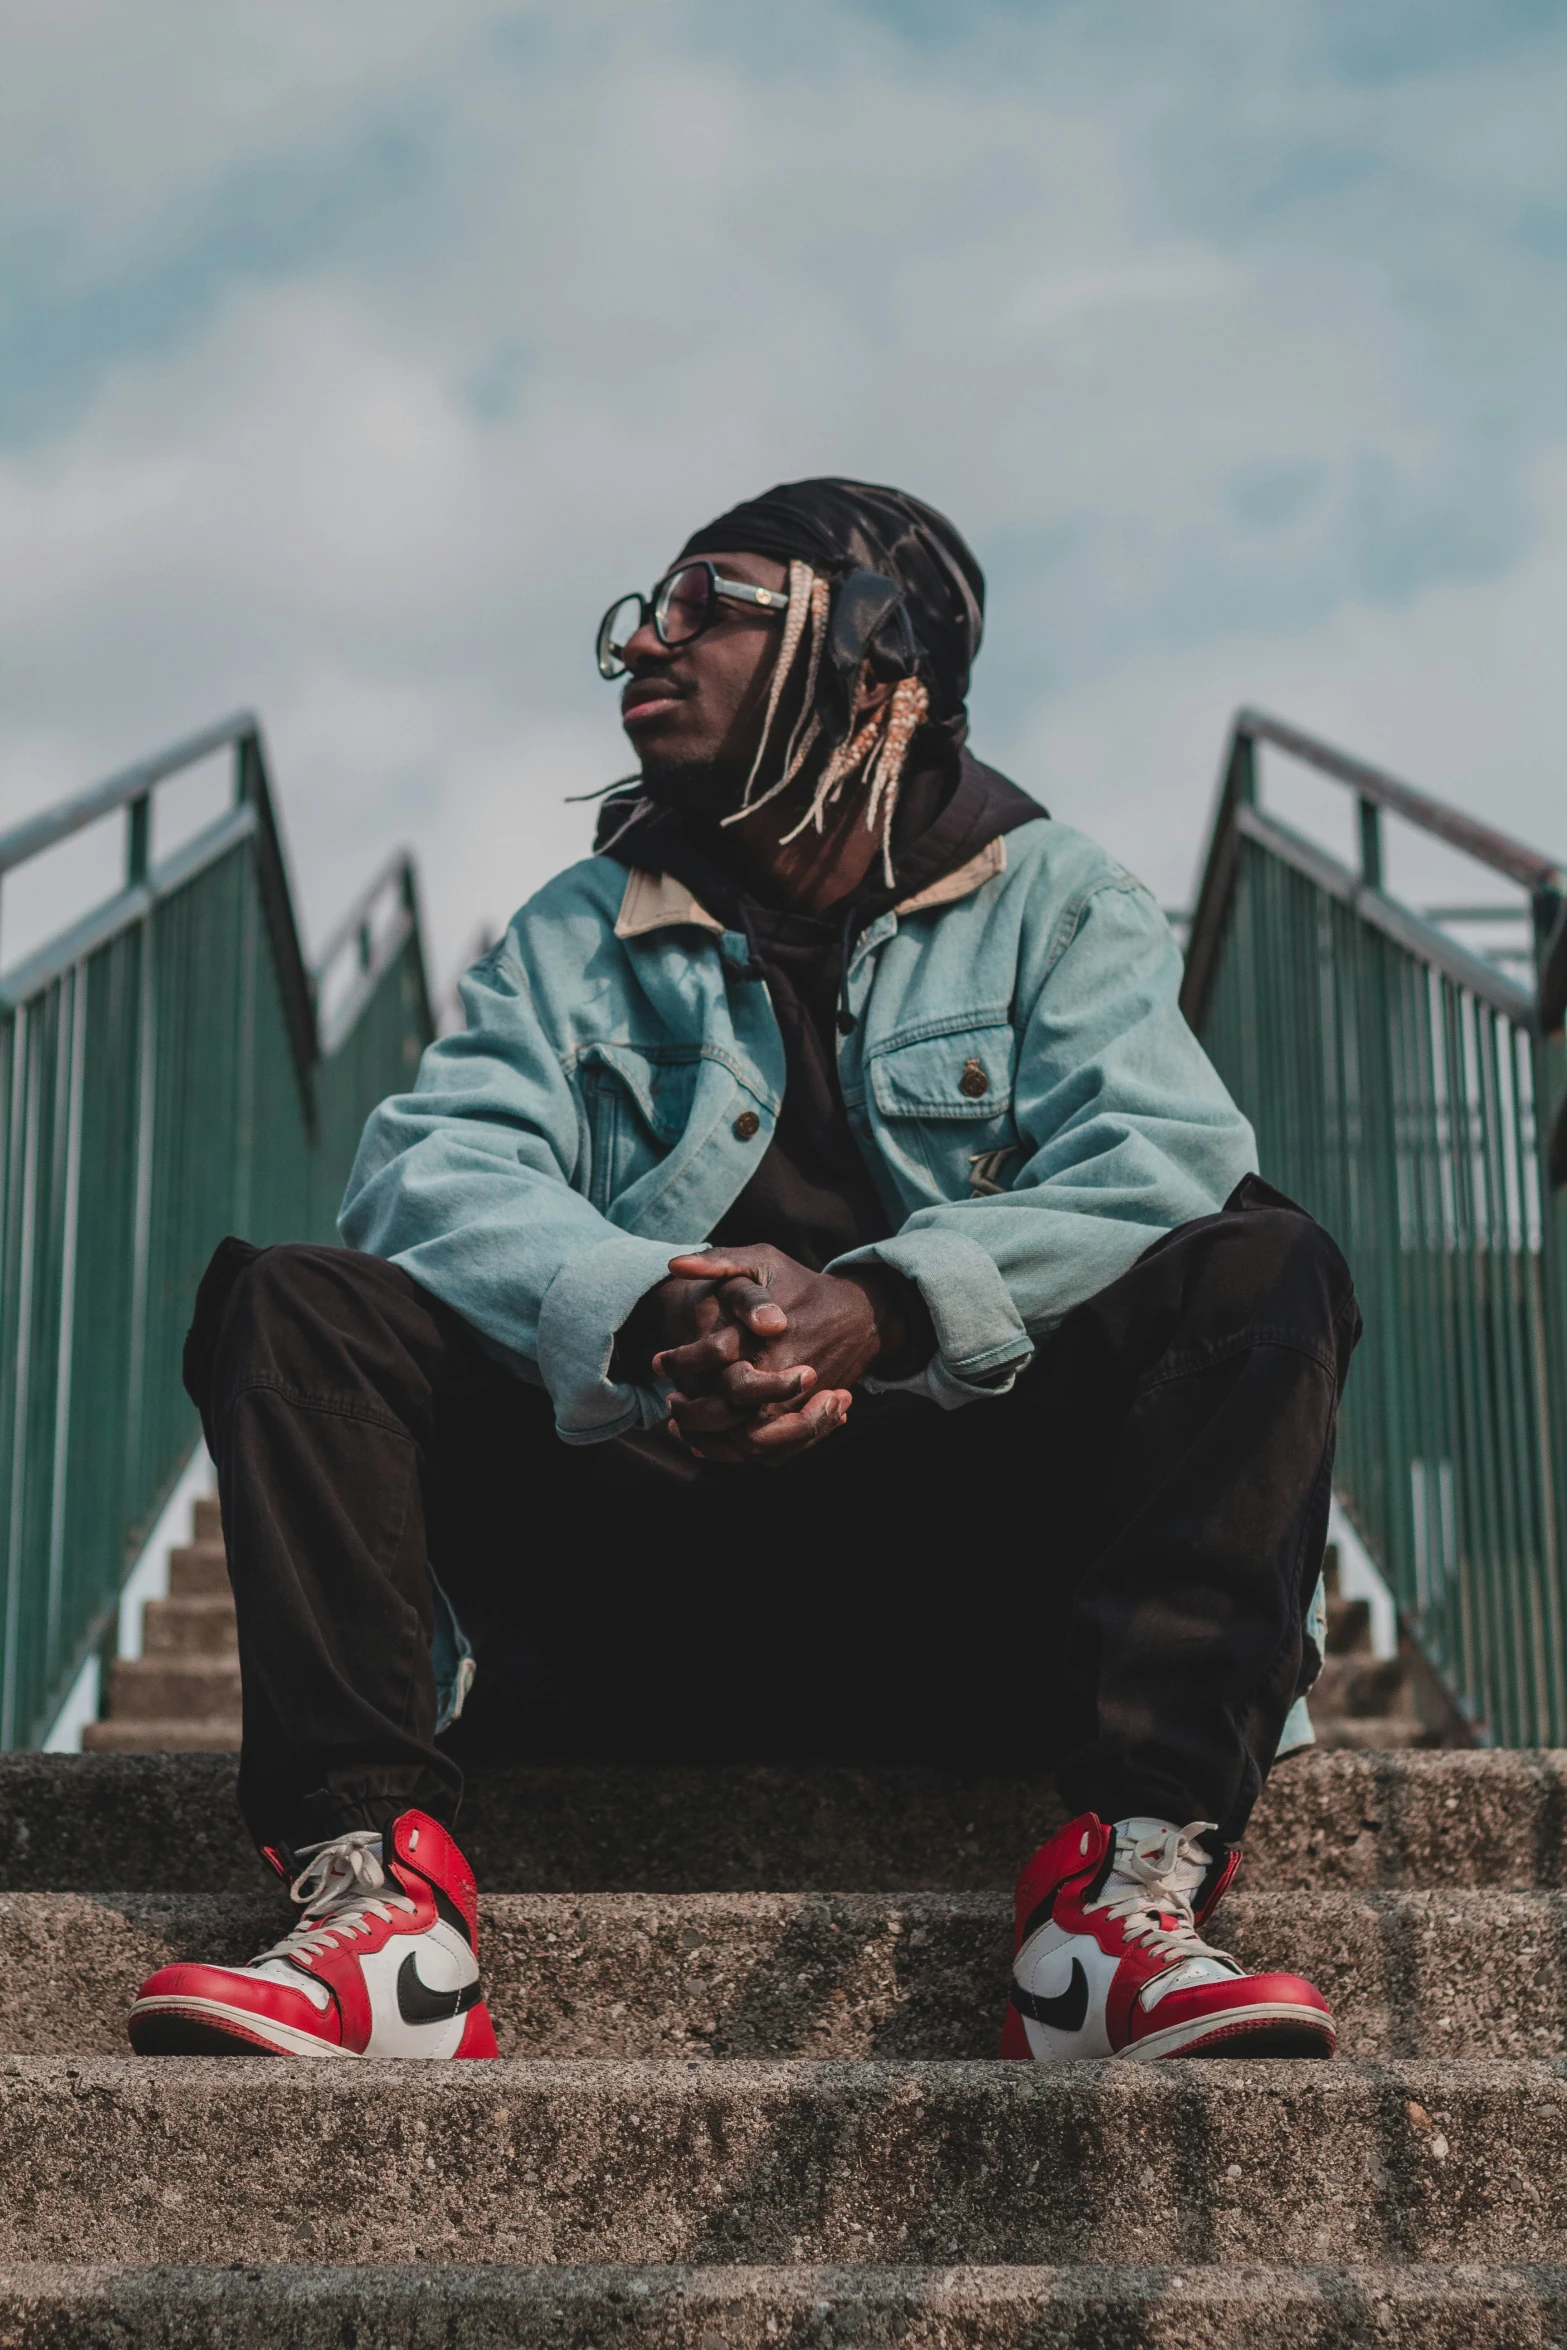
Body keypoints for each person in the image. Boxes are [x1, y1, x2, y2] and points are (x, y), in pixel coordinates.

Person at [129, 478, 1359, 2065]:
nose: (645, 636)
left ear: (870, 652)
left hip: (981, 1615)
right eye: (651, 603)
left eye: (707, 598)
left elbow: (1163, 1164)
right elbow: (426, 1170)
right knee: (295, 1299)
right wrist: (648, 1309)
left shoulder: (1058, 902)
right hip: (644, 1596)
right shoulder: (582, 925)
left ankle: (1123, 1900)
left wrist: (887, 1304)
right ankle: (378, 1911)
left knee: (1262, 1263)